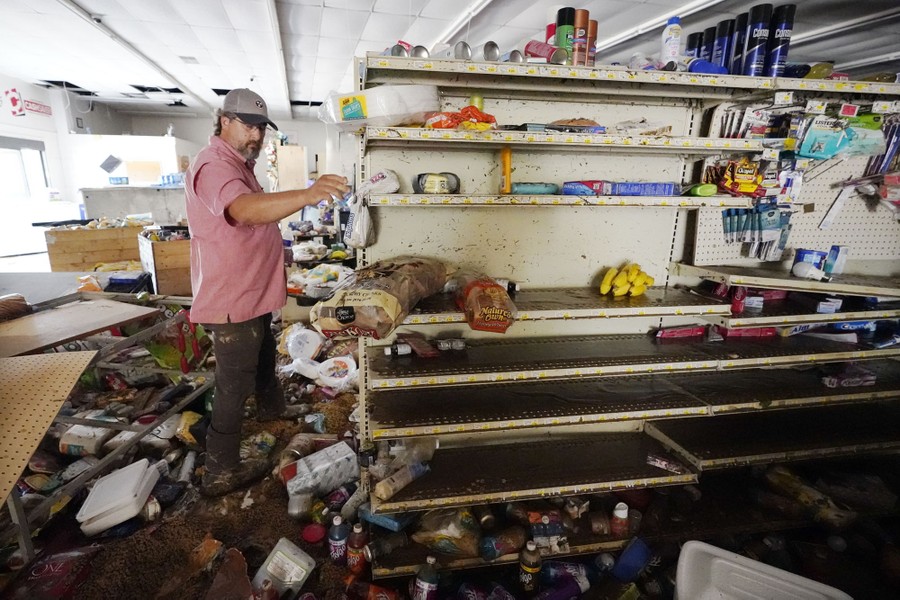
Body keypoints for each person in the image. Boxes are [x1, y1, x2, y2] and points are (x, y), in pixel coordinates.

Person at [185, 88, 349, 496]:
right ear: (225, 121)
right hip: (230, 296)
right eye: (249, 126)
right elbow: (242, 210)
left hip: (251, 291)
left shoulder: (238, 162)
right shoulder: (215, 164)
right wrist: (308, 193)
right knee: (233, 382)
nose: (256, 135)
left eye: (261, 128)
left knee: (262, 354)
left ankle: (273, 409)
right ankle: (220, 469)